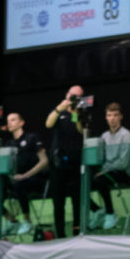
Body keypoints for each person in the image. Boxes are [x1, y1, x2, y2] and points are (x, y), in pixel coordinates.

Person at [0, 112, 49, 237]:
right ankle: (11, 220)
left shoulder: (32, 138)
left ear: (21, 123)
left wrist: (25, 175)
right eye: (8, 120)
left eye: (13, 120)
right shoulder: (9, 144)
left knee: (19, 184)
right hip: (16, 179)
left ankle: (27, 221)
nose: (9, 123)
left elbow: (44, 161)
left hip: (34, 178)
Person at [44, 84, 89, 237]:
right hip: (58, 162)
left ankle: (77, 231)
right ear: (67, 95)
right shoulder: (59, 111)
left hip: (75, 161)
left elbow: (80, 130)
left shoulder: (82, 113)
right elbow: (48, 124)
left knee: (77, 199)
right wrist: (60, 108)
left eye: (78, 96)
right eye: (72, 95)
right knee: (58, 201)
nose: (74, 98)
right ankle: (60, 233)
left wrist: (76, 112)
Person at [91, 102, 130, 229]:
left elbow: (123, 162)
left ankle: (110, 213)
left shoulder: (127, 135)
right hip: (106, 171)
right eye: (109, 115)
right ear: (106, 117)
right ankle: (96, 210)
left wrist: (104, 170)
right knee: (80, 181)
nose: (112, 118)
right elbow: (101, 158)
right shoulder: (104, 136)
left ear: (121, 117)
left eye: (115, 115)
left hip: (122, 173)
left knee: (100, 179)